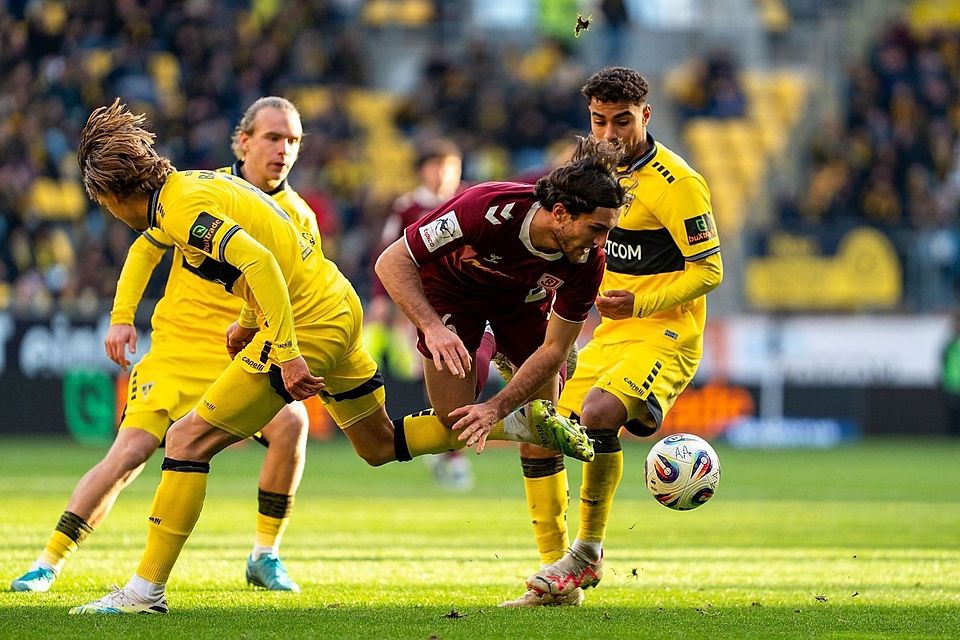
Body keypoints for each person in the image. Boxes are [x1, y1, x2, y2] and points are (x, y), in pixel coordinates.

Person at [68, 100, 595, 614]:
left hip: (308, 325)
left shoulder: (182, 207)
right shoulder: (192, 187)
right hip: (336, 306)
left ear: (110, 193)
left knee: (186, 439)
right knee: (378, 444)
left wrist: (287, 350)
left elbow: (258, 263)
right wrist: (250, 322)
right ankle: (519, 425)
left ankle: (144, 592)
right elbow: (268, 252)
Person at [10, 97, 314, 595]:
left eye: (293, 141)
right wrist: (121, 318)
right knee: (130, 452)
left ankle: (265, 554)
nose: (283, 150)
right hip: (177, 348)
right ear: (243, 141)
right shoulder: (198, 188)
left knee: (293, 425)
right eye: (273, 138)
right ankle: (49, 561)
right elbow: (144, 248)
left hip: (239, 353)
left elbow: (300, 290)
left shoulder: (300, 217)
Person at [502, 66, 724, 607]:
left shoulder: (678, 183)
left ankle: (587, 551)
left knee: (600, 414)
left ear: (645, 115)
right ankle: (556, 573)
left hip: (665, 333)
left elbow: (710, 269)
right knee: (538, 427)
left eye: (621, 121)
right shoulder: (587, 173)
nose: (609, 135)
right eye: (599, 121)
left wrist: (640, 301)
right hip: (610, 335)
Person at [375, 136, 628, 484]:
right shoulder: (486, 207)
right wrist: (432, 327)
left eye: (608, 231)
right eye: (596, 229)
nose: (601, 242)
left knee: (543, 414)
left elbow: (555, 348)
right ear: (559, 214)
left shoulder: (589, 261)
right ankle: (487, 339)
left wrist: (496, 408)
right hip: (454, 294)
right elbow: (391, 261)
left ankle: (553, 540)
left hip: (523, 304)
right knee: (453, 417)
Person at [371, 138, 474, 490]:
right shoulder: (407, 206)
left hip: (470, 299)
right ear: (422, 170)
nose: (443, 173)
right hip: (423, 304)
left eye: (450, 166)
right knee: (432, 373)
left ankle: (446, 450)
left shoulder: (469, 199)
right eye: (436, 165)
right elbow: (388, 254)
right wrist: (381, 298)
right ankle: (444, 449)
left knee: (465, 371)